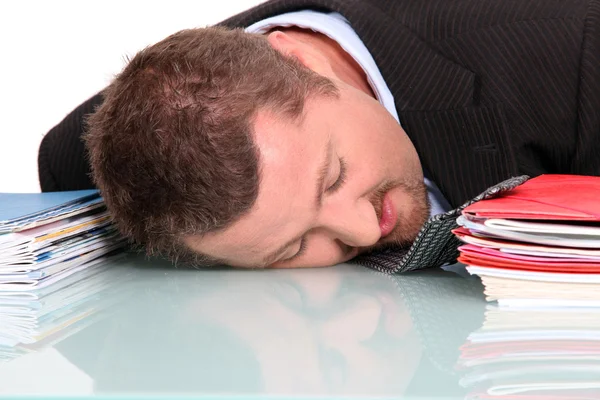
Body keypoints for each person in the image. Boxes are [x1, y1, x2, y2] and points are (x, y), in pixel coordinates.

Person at [38, 0, 600, 270]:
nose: (359, 228)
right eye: (293, 248)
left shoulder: (576, 55)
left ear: (307, 62)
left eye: (333, 176)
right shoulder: (79, 165)